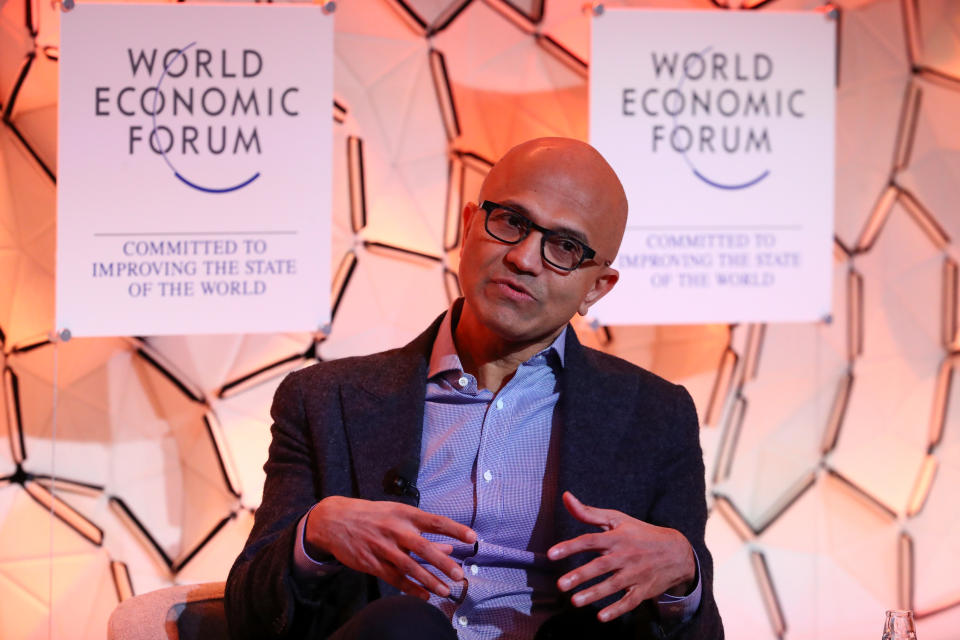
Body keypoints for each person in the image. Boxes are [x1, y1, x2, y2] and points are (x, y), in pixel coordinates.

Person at [225, 137, 723, 639]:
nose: (524, 259)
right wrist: (315, 534)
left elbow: (701, 633)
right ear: (468, 226)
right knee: (403, 626)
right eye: (510, 221)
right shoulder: (324, 401)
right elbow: (248, 614)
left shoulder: (655, 417)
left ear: (597, 287)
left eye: (565, 248)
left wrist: (683, 574)